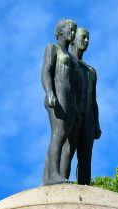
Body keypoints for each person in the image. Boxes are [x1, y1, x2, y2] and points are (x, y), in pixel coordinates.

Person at [41, 19, 78, 185]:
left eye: (74, 30)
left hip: (70, 101)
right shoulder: (52, 48)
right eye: (70, 29)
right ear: (60, 31)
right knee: (58, 134)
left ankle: (53, 174)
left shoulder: (71, 56)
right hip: (57, 98)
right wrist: (49, 92)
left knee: (65, 139)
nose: (73, 32)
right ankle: (53, 175)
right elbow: (46, 72)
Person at [68, 27, 101, 184]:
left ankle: (85, 185)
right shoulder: (68, 63)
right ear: (73, 39)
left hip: (88, 117)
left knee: (86, 154)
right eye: (84, 37)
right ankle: (61, 182)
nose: (87, 41)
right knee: (68, 150)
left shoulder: (91, 71)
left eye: (88, 38)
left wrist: (96, 123)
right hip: (73, 114)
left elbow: (94, 101)